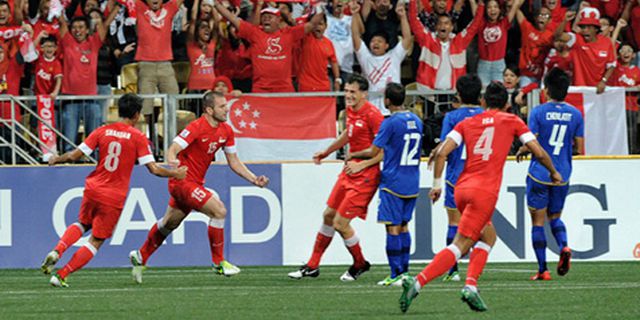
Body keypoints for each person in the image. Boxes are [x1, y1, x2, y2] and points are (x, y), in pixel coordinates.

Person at [399, 82, 562, 313]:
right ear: (506, 104)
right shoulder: (512, 120)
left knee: (488, 236)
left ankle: (471, 286)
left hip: (461, 188)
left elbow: (442, 152)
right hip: (483, 192)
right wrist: (554, 172)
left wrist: (436, 185)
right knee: (460, 245)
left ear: (484, 103)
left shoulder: (466, 122)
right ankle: (417, 282)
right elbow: (538, 151)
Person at [40, 93, 187, 287]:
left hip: (93, 187)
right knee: (96, 240)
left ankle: (57, 250)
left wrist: (56, 159)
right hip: (113, 195)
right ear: (136, 115)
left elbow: (75, 155)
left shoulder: (103, 130)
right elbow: (154, 169)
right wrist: (175, 174)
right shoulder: (138, 137)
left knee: (83, 223)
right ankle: (61, 275)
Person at [128, 91, 269, 283]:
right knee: (219, 211)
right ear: (209, 110)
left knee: (169, 223)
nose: (226, 109)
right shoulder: (196, 127)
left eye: (226, 105)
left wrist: (254, 179)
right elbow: (174, 148)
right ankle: (219, 263)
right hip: (182, 182)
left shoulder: (226, 130)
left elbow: (233, 161)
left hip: (194, 183)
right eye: (222, 107)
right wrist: (171, 160)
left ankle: (141, 255)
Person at [287, 74, 383, 281]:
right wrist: (327, 151)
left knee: (340, 223)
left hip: (365, 176)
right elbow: (348, 134)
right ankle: (312, 265)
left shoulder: (373, 115)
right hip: (349, 172)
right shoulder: (350, 111)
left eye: (353, 92)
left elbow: (384, 150)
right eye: (346, 91)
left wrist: (363, 165)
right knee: (328, 216)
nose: (348, 95)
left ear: (364, 94)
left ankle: (360, 263)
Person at [347, 83, 423, 286]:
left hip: (393, 181)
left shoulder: (390, 123)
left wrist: (353, 154)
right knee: (404, 227)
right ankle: (405, 273)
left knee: (392, 228)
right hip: (413, 180)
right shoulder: (417, 120)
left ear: (387, 100)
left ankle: (395, 274)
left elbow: (373, 152)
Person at [515, 68, 584, 281]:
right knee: (555, 217)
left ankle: (543, 269)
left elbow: (531, 141)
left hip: (539, 173)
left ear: (546, 89)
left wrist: (522, 149)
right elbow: (580, 147)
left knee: (537, 221)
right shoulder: (576, 114)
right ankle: (564, 246)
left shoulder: (538, 112)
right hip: (562, 173)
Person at [431, 74, 484, 282]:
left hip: (456, 178)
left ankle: (452, 270)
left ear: (459, 95)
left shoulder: (452, 117)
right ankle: (474, 269)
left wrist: (436, 181)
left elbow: (446, 146)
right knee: (479, 225)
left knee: (454, 223)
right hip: (479, 179)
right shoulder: (486, 115)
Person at [213, 2, 325, 92]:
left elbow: (311, 25)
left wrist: (321, 9)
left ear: (278, 20)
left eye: (270, 17)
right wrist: (216, 4)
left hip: (284, 89)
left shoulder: (289, 34)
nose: (266, 19)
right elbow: (232, 19)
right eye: (264, 17)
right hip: (260, 89)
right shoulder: (254, 32)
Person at [352, 0, 412, 115]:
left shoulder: (394, 56)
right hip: (370, 111)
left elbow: (407, 38)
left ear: (387, 46)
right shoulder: (365, 57)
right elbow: (355, 36)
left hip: (392, 112)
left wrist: (403, 17)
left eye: (379, 41)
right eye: (373, 41)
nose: (375, 43)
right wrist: (355, 14)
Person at [556, 8, 616, 94]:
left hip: (598, 90)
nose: (585, 30)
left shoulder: (607, 42)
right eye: (583, 27)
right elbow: (558, 36)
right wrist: (565, 20)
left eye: (588, 27)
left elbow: (611, 65)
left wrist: (603, 81)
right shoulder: (577, 40)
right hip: (580, 90)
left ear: (596, 29)